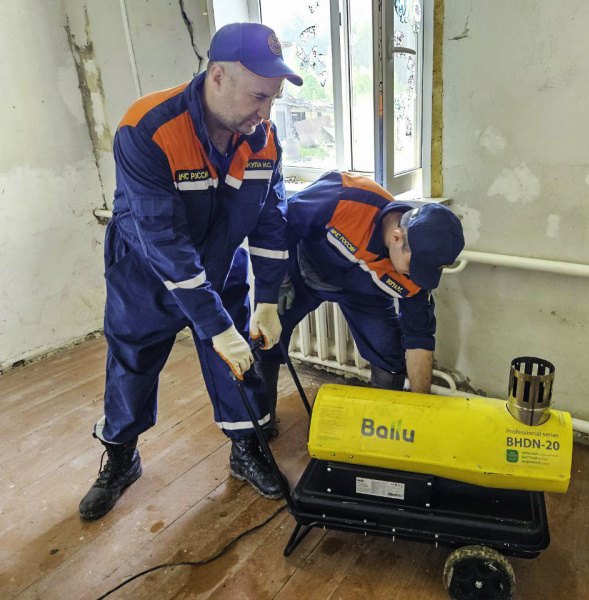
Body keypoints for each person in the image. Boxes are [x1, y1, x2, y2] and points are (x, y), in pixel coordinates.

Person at [79, 22, 303, 521]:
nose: (266, 113)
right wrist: (217, 325)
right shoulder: (149, 128)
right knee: (132, 365)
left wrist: (267, 300)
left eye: (274, 99)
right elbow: (164, 242)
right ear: (217, 76)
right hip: (147, 273)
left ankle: (246, 448)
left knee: (240, 363)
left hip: (221, 265)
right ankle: (120, 457)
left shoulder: (262, 138)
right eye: (259, 97)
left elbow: (270, 221)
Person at [255, 170, 465, 409]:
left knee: (389, 353)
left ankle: (383, 423)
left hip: (365, 294)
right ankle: (260, 422)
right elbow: (281, 225)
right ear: (397, 237)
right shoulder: (345, 196)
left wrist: (421, 408)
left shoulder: (416, 278)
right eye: (412, 266)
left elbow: (420, 339)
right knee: (265, 336)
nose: (414, 276)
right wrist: (279, 281)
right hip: (304, 271)